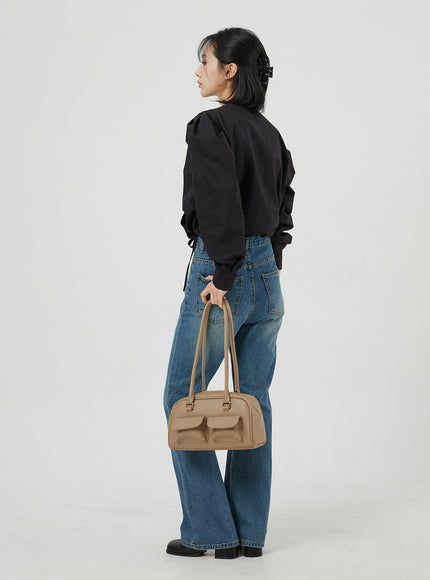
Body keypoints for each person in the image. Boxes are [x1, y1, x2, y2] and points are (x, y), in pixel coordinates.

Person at [163, 27, 296, 559]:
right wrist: (270, 260)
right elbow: (284, 203)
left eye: (206, 61)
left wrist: (221, 275)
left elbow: (219, 204)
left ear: (229, 71)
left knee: (182, 396)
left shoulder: (210, 125)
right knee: (253, 402)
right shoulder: (270, 134)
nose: (198, 71)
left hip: (224, 273)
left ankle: (210, 530)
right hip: (266, 279)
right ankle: (248, 533)